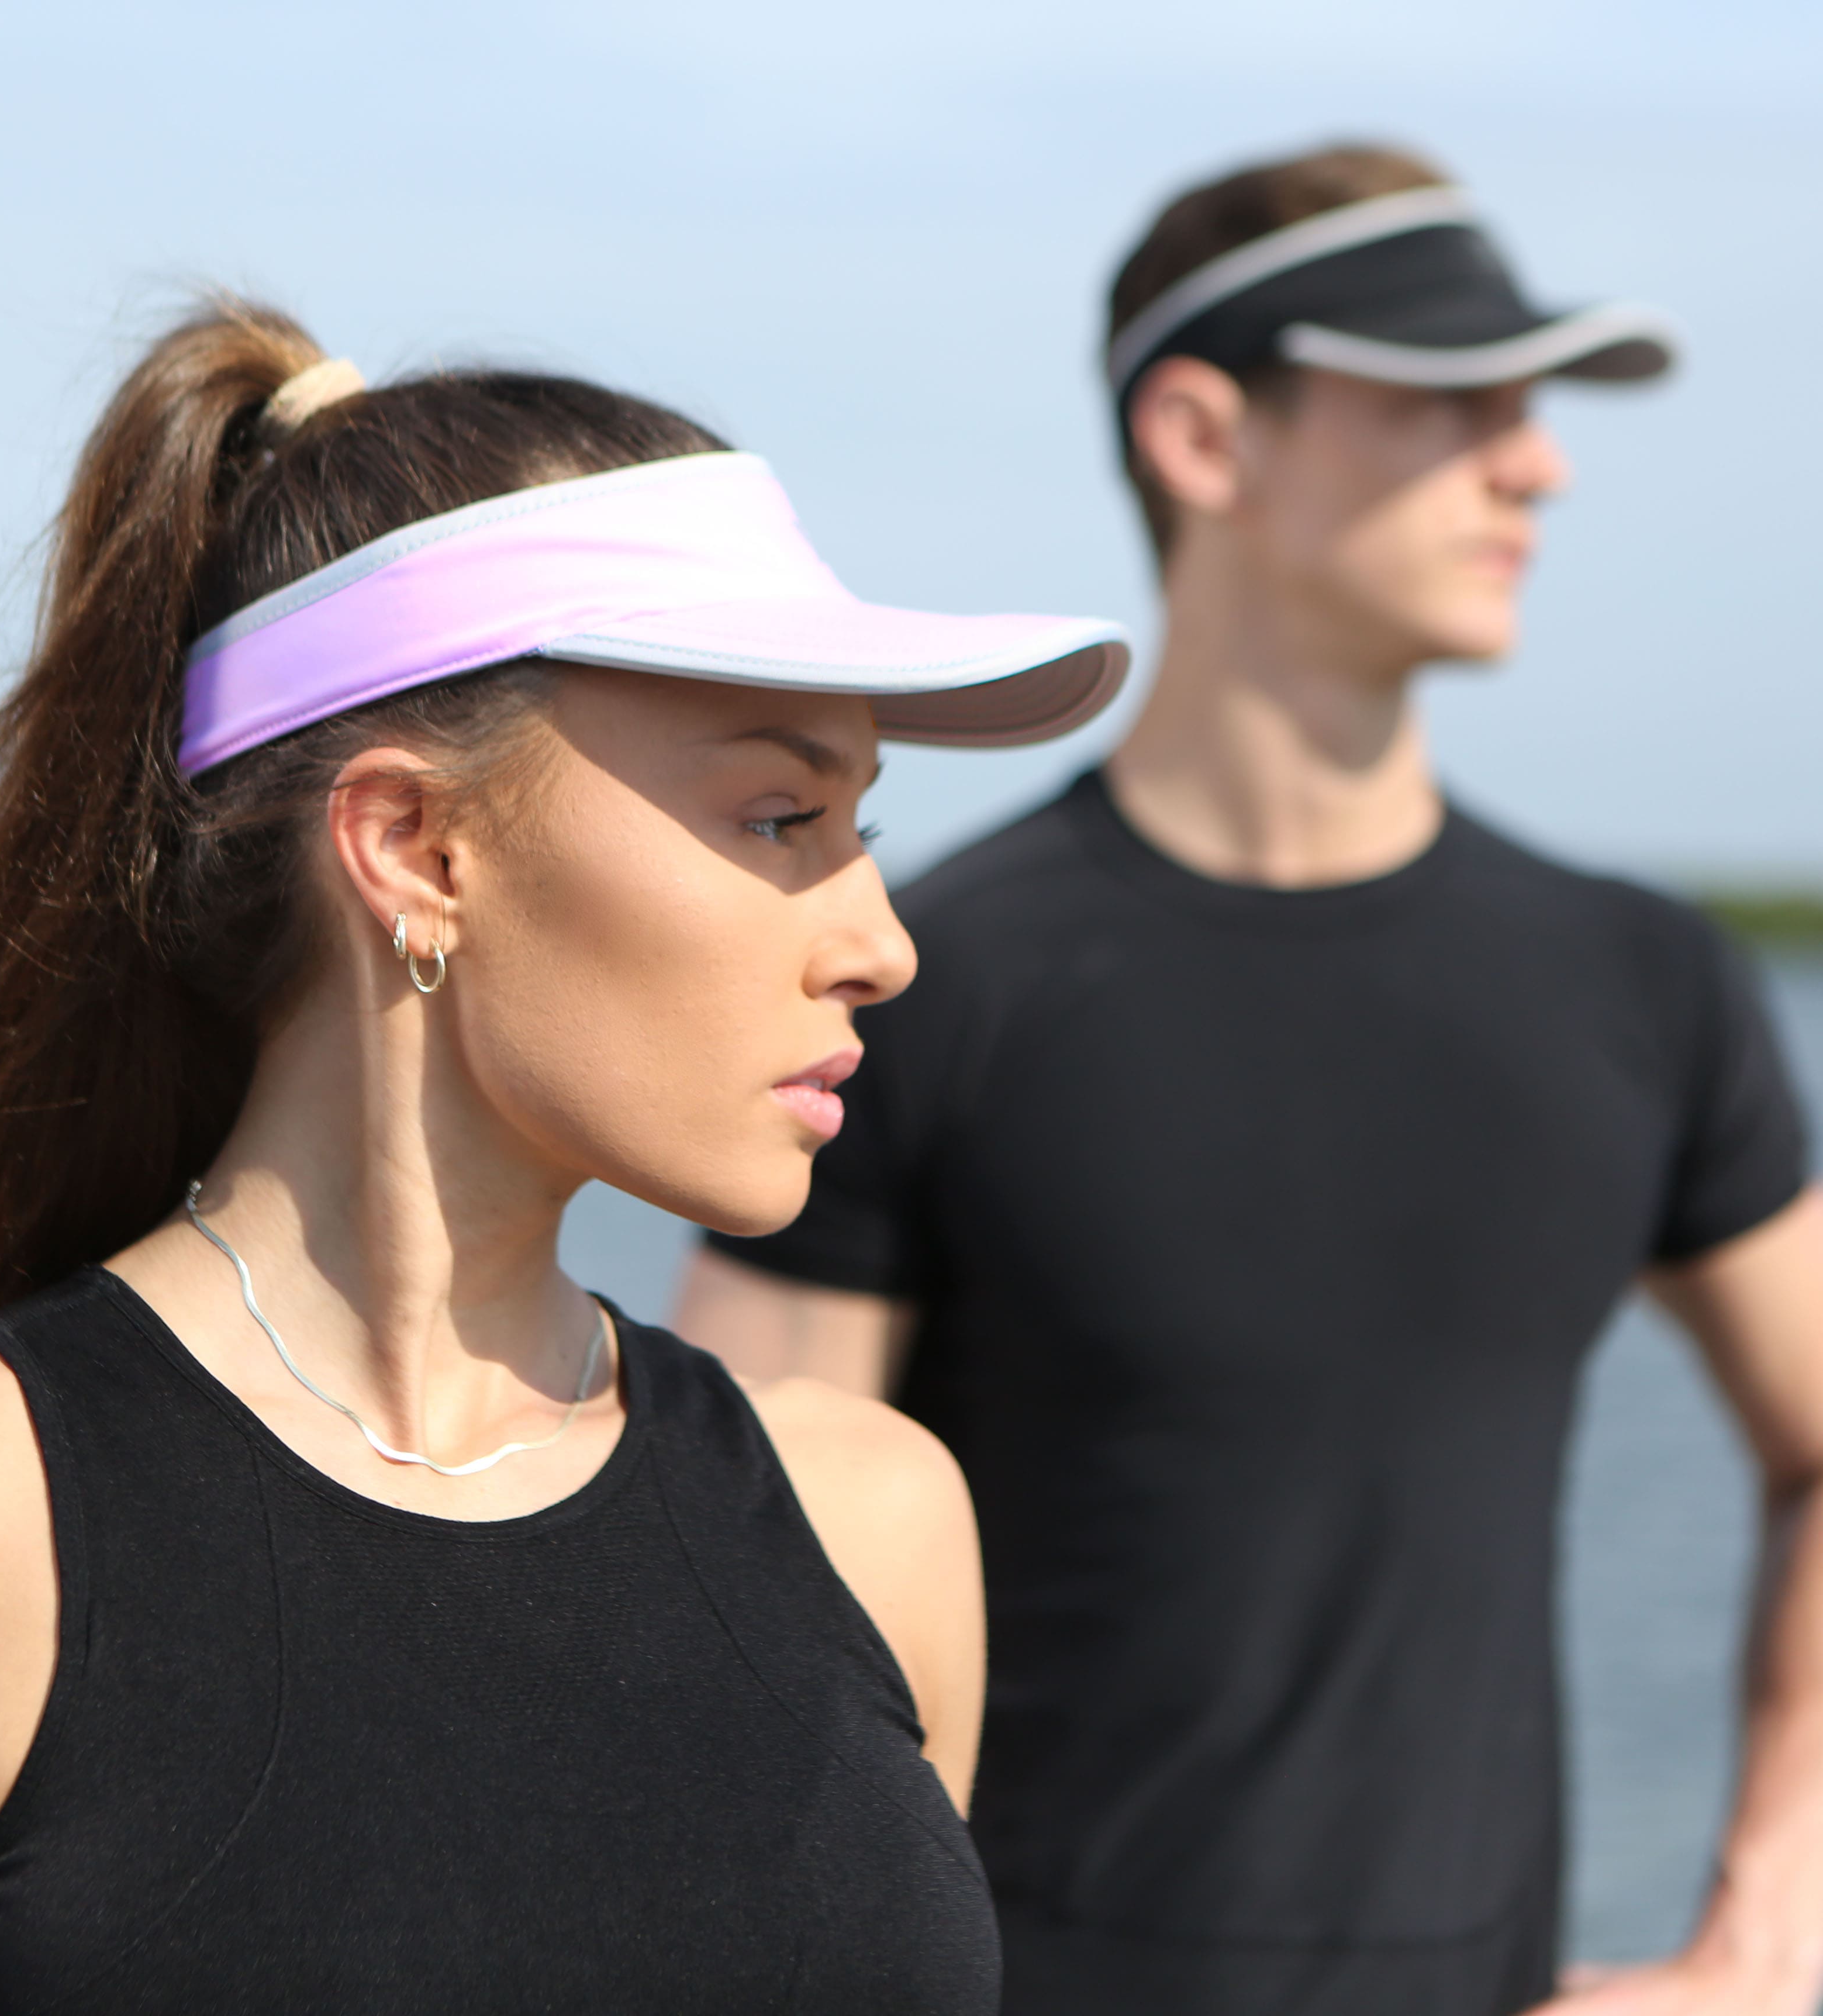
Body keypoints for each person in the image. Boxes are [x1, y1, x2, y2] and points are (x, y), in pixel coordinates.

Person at [0, 297, 1133, 2014]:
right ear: (416, 847)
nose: (880, 941)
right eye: (782, 819)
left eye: (863, 828)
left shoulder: (870, 1525)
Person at [678, 144, 1823, 2016]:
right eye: (1448, 400)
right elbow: (731, 1586)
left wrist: (1768, 1935)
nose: (1535, 462)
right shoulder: (914, 983)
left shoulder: (1641, 980)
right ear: (1205, 439)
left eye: (1530, 409)